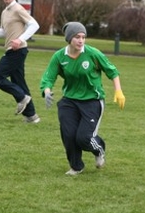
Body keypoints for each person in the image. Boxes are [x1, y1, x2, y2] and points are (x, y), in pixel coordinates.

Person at [40, 22, 126, 175]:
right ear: (69, 39)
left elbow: (112, 71)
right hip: (69, 101)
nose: (81, 41)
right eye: (77, 37)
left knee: (84, 138)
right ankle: (76, 166)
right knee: (68, 135)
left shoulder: (92, 54)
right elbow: (48, 78)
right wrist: (47, 91)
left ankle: (99, 150)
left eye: (83, 37)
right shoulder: (59, 56)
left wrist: (118, 91)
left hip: (92, 100)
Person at [0, 0, 40, 124]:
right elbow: (3, 32)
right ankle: (32, 116)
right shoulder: (5, 12)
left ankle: (22, 98)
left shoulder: (18, 8)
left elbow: (34, 25)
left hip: (18, 51)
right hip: (12, 50)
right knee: (19, 82)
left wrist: (19, 40)